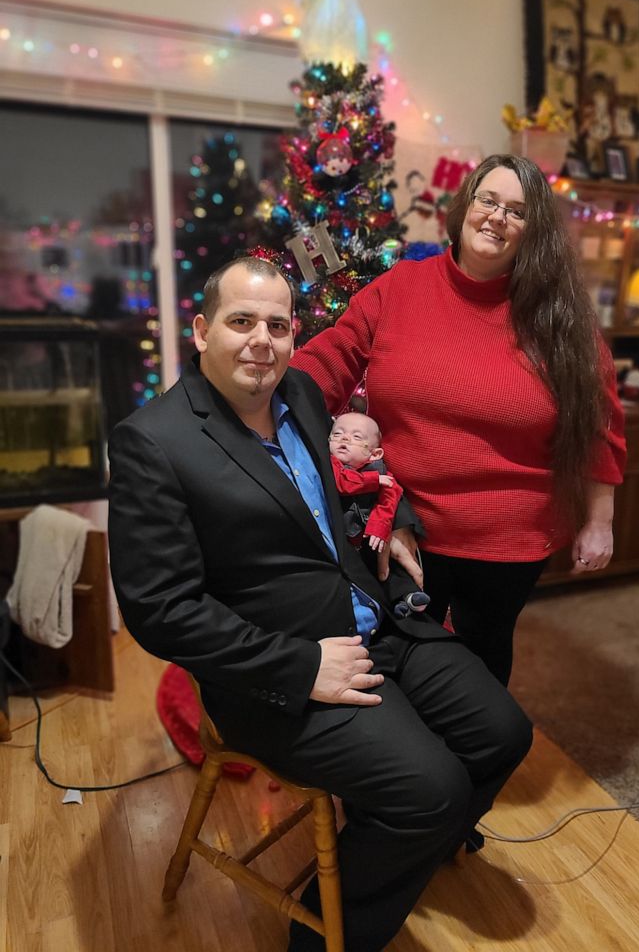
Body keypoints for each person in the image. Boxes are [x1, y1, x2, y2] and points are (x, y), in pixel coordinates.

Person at [107, 253, 533, 952]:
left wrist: (393, 524)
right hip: (278, 672)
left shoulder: (301, 395)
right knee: (433, 792)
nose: (261, 340)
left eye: (277, 324)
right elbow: (159, 609)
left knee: (503, 735)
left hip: (375, 619)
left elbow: (340, 493)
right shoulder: (154, 443)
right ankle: (325, 939)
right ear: (201, 329)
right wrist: (301, 666)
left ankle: (393, 848)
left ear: (295, 335)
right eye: (240, 321)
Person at [292, 153, 627, 686]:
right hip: (401, 527)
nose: (497, 217)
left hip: (509, 540)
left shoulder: (561, 315)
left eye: (517, 211)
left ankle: (476, 765)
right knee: (399, 663)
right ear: (465, 206)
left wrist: (599, 520)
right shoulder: (400, 288)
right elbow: (329, 358)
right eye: (487, 200)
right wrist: (256, 388)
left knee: (480, 669)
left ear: (533, 230)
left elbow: (599, 425)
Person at [329, 410, 430, 617]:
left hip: (371, 536)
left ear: (374, 454)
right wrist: (373, 481)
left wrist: (380, 527)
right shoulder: (331, 464)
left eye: (357, 437)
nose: (345, 438)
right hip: (342, 539)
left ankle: (406, 597)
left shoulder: (380, 471)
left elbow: (389, 500)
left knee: (391, 564)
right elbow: (342, 483)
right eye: (338, 434)